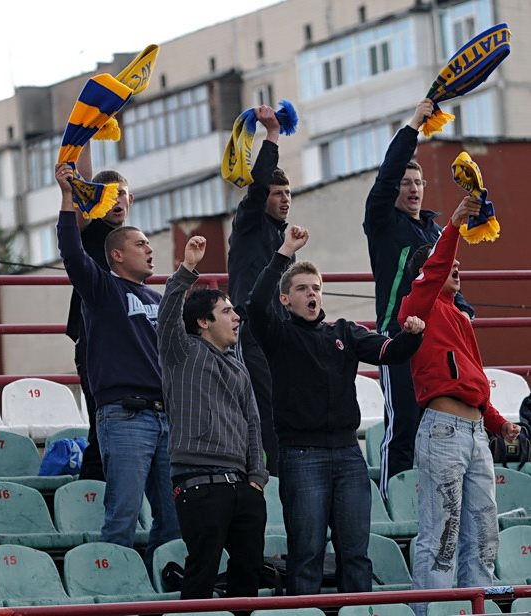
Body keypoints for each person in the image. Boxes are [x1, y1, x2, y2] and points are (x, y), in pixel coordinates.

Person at [247, 224, 425, 596]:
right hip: (301, 455)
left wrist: (412, 334)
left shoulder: (345, 331)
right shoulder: (278, 334)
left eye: (316, 288)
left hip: (348, 454)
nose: (311, 294)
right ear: (285, 300)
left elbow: (391, 352)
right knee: (306, 554)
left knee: (356, 554)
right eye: (301, 289)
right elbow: (256, 303)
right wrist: (284, 252)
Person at [397, 197, 520, 616]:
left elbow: (473, 380)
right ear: (425, 274)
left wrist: (498, 423)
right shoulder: (418, 307)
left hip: (474, 434)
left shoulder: (460, 318)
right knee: (442, 537)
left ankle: (473, 610)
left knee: (484, 536)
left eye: (456, 265)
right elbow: (433, 270)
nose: (455, 268)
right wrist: (451, 227)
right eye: (447, 264)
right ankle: (431, 613)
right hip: (444, 429)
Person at [55, 162, 179, 569]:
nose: (150, 249)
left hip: (165, 417)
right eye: (141, 244)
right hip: (125, 416)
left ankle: (161, 584)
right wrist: (68, 196)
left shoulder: (159, 298)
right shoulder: (102, 288)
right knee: (122, 515)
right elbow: (72, 252)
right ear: (117, 255)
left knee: (174, 519)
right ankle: (114, 587)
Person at [363, 99, 475, 497]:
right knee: (404, 426)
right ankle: (393, 503)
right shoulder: (382, 223)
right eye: (405, 183)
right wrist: (413, 125)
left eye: (418, 182)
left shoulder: (435, 231)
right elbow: (387, 175)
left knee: (442, 426)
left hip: (439, 343)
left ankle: (436, 502)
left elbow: (450, 280)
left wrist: (465, 312)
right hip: (398, 338)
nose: (413, 189)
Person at [158, 235, 268, 599]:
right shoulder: (180, 351)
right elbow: (168, 315)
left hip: (242, 485)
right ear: (203, 322)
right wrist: (187, 269)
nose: (237, 317)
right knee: (201, 572)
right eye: (226, 312)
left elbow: (253, 424)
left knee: (248, 574)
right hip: (198, 483)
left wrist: (256, 478)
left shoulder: (239, 367)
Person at [227, 104, 292, 475]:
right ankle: (270, 480)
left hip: (281, 333)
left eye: (288, 193)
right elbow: (257, 186)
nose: (285, 199)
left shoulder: (286, 239)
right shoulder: (249, 223)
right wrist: (272, 134)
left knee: (287, 408)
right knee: (264, 411)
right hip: (252, 331)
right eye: (277, 193)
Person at [66, 162, 133, 481]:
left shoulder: (131, 239)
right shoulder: (89, 227)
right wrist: (84, 140)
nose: (116, 200)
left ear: (131, 199)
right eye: (109, 195)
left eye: (121, 194)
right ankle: (89, 490)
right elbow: (81, 191)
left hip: (127, 340)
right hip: (94, 341)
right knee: (101, 421)